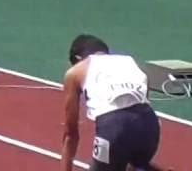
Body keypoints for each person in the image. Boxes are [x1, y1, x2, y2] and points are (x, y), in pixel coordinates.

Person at [59, 34, 171, 171]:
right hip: (149, 125)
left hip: (113, 127)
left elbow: (70, 134)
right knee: (133, 164)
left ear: (78, 58)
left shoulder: (75, 72)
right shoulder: (129, 62)